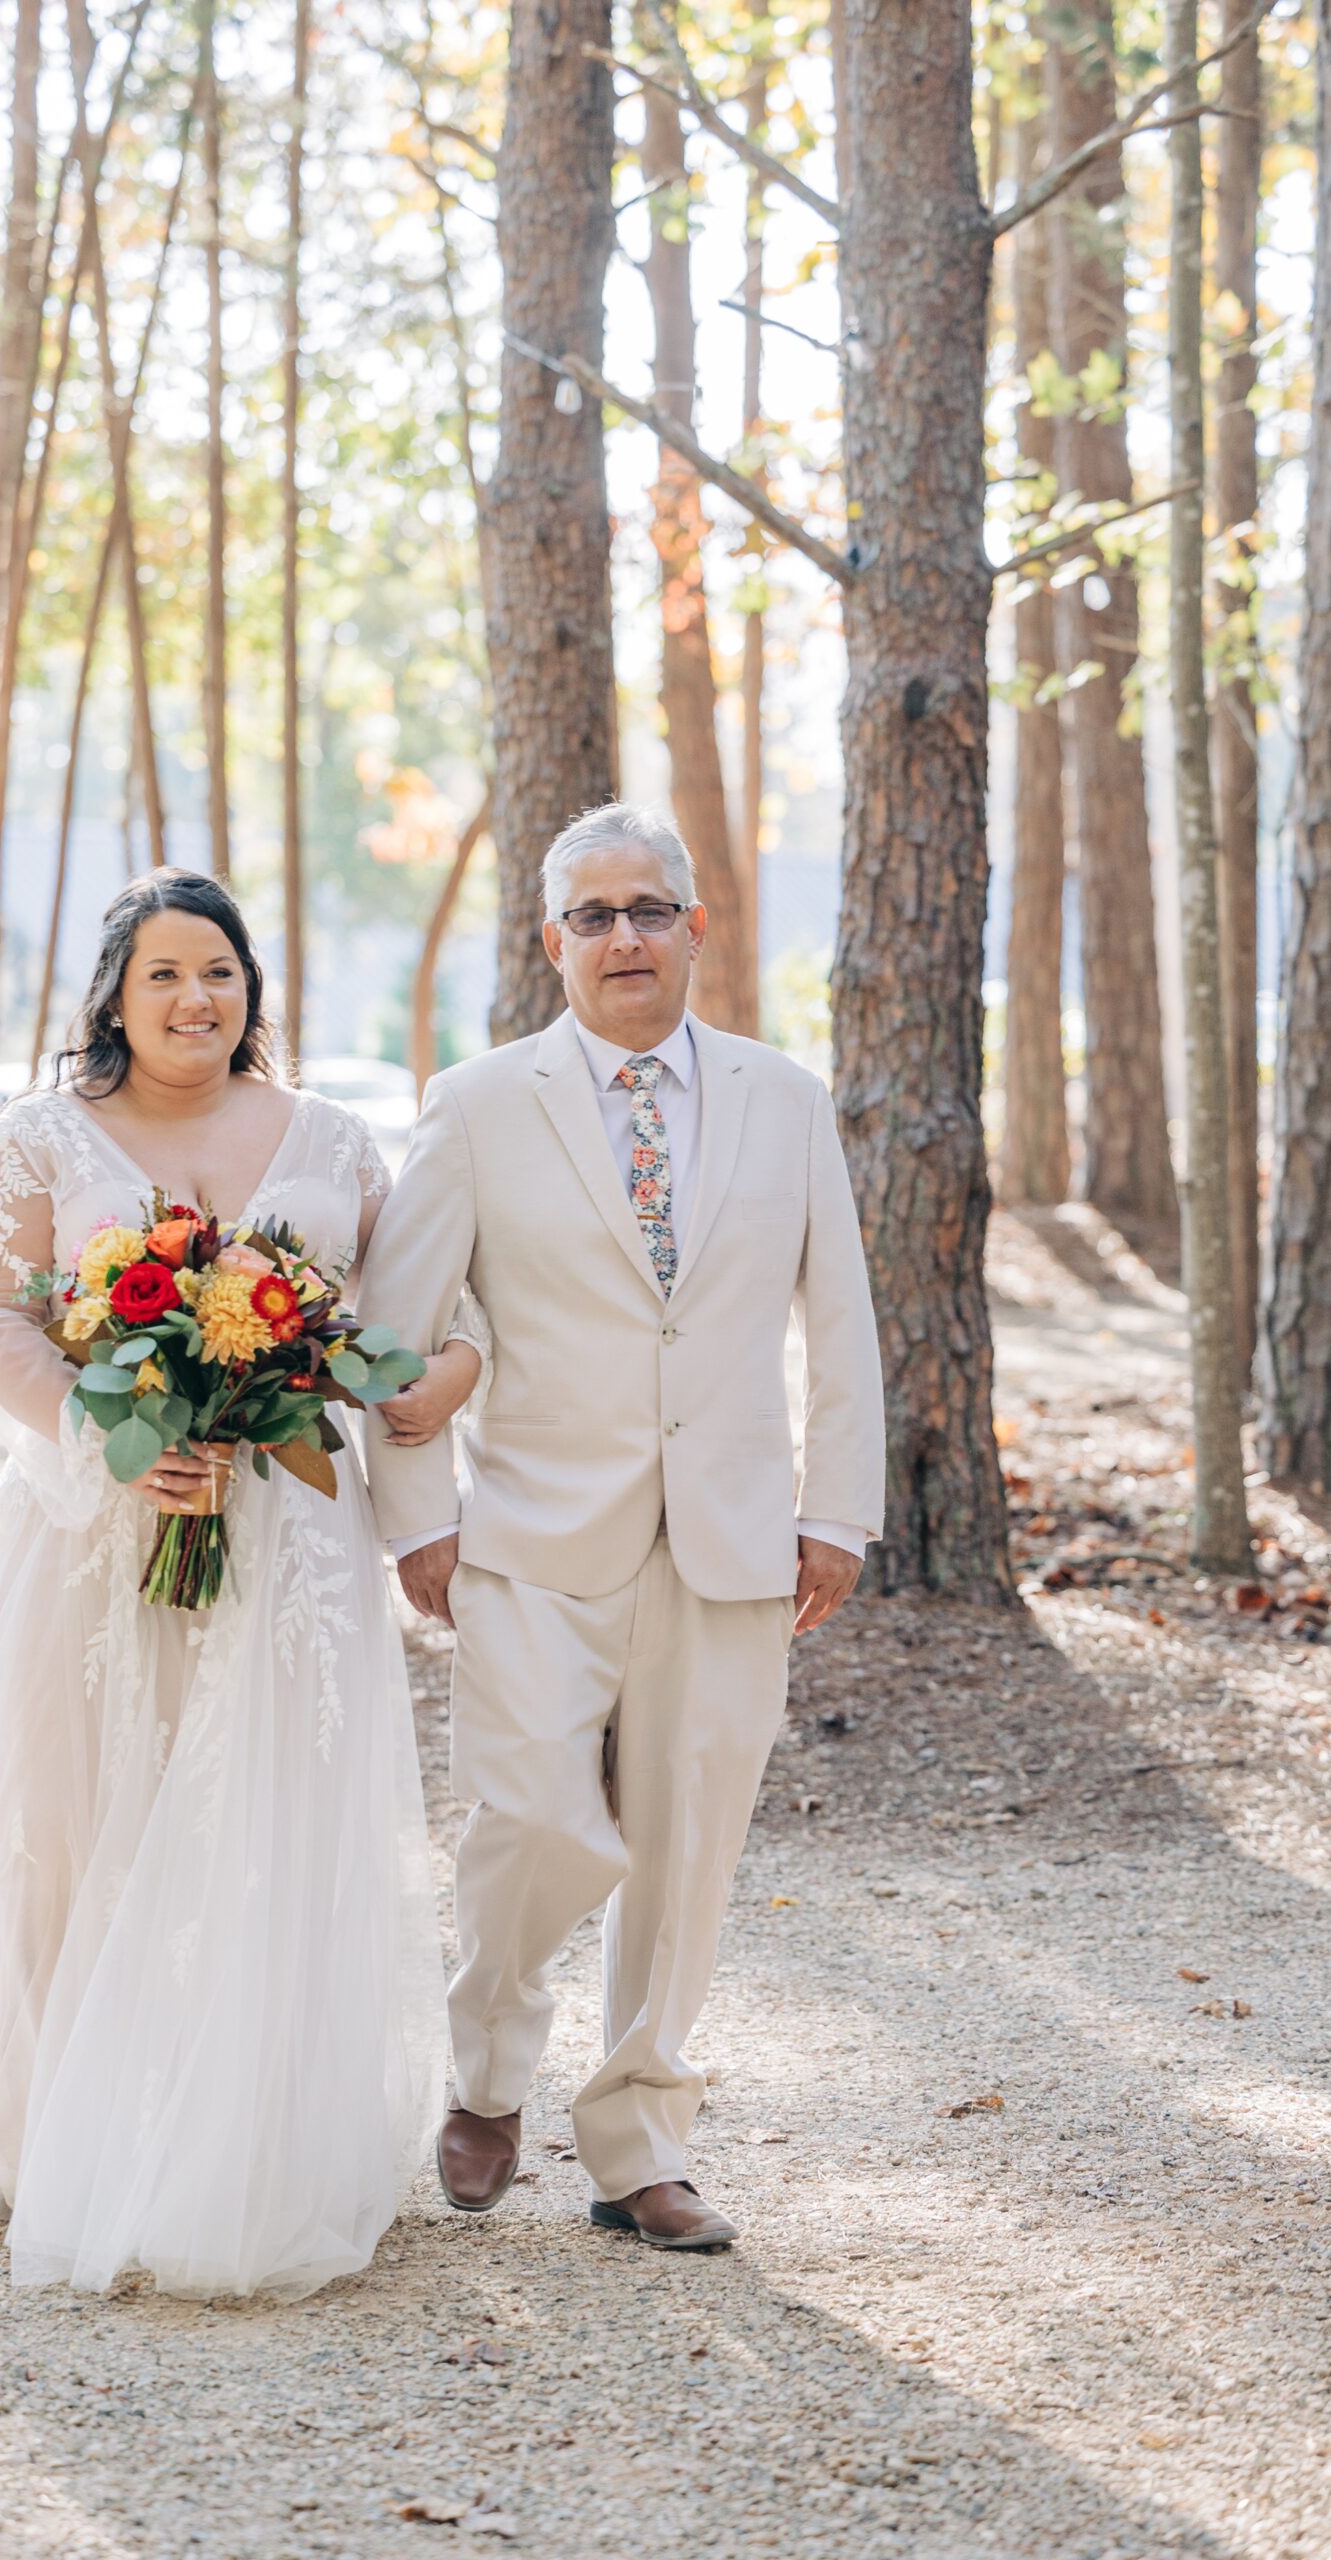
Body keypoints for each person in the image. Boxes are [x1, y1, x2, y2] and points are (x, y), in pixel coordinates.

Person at [0, 871, 484, 2302]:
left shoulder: (334, 1142)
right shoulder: (35, 1144)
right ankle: (48, 2128)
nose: (198, 999)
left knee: (267, 1814)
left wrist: (449, 1377)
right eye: (166, 975)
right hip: (87, 1533)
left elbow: (403, 1323)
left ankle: (240, 2136)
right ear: (115, 1000)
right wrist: (116, 1441)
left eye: (222, 972)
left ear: (253, 990)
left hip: (288, 1541)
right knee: (68, 1815)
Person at [362, 802, 885, 2252]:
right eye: (592, 917)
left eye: (649, 909)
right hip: (530, 1534)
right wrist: (421, 1518)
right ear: (553, 944)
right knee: (531, 1818)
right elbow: (393, 1335)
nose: (625, 939)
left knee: (687, 1847)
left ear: (696, 928)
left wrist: (836, 1509)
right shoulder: (477, 1105)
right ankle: (485, 2066)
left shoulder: (785, 1099)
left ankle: (640, 2140)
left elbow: (839, 1317)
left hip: (731, 1538)